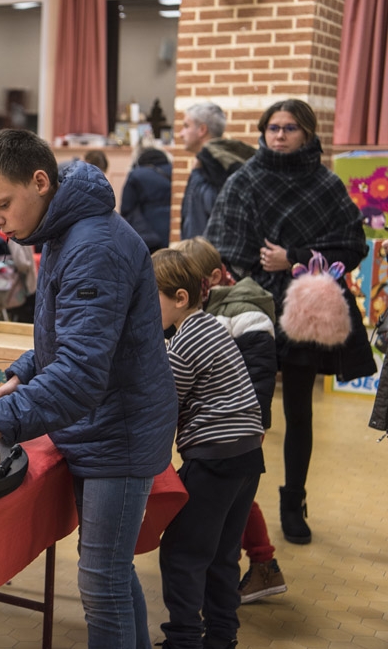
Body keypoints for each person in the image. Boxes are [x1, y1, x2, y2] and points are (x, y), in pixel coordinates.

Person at [0, 129, 177, 648]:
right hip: (107, 424)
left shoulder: (92, 245)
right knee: (111, 571)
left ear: (40, 182)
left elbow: (82, 372)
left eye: (2, 204)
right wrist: (24, 372)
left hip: (119, 432)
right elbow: (67, 334)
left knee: (102, 581)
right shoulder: (67, 229)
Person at [205, 98, 375, 545]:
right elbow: (222, 246)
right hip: (252, 308)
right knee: (248, 413)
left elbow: (353, 245)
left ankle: (293, 503)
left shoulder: (326, 184)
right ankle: (238, 508)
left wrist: (294, 257)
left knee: (299, 410)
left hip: (305, 311)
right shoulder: (244, 180)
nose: (279, 135)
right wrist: (260, 272)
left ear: (308, 133)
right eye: (273, 127)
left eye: (290, 128)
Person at [152, 248, 264, 649]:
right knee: (221, 554)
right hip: (247, 455)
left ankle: (183, 640)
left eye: (150, 299)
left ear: (180, 298)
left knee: (181, 552)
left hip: (214, 457)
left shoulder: (185, 342)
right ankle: (221, 637)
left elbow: (163, 402)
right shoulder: (212, 326)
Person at [177, 236, 286, 604]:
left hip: (238, 426)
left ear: (213, 277)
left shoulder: (246, 312)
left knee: (234, 498)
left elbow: (259, 375)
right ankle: (255, 562)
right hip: (222, 427)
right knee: (234, 497)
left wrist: (254, 423)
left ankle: (260, 564)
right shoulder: (210, 307)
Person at [178, 102, 256, 239]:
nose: (180, 134)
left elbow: (213, 210)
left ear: (202, 130)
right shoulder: (209, 162)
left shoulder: (215, 165)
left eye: (186, 126)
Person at [120, 147, 173, 254]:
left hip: (149, 237)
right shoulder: (176, 172)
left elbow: (126, 208)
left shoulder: (136, 175)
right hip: (173, 230)